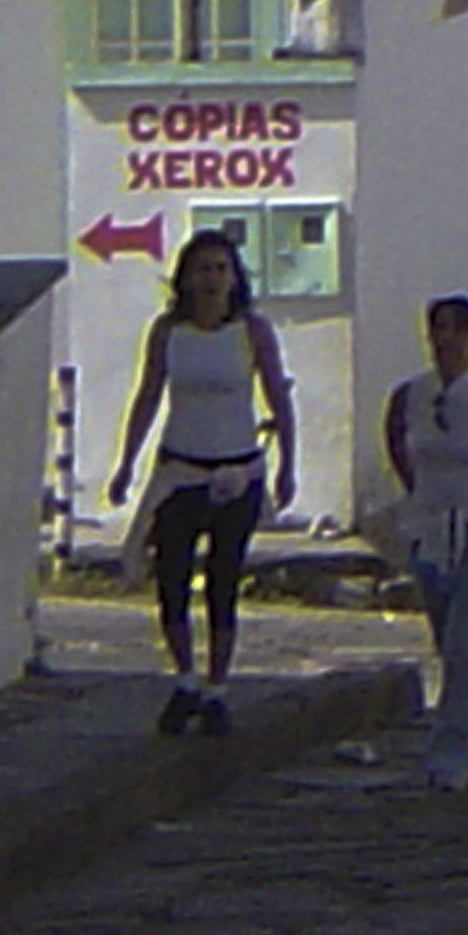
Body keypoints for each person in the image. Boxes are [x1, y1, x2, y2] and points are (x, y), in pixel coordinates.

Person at [105, 227, 294, 737]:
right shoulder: (168, 332)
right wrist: (126, 463)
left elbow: (278, 395)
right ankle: (184, 676)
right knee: (172, 577)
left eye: (220, 270)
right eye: (202, 270)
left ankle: (217, 686)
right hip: (181, 469)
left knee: (224, 582)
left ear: (235, 279)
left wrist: (287, 465)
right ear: (185, 279)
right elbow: (148, 395)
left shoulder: (252, 331)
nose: (211, 281)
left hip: (237, 468)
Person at [381, 292, 468, 789]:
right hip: (432, 529)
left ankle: (452, 752)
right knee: (451, 644)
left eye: (459, 331)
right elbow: (398, 438)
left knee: (467, 641)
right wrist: (416, 493)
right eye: (439, 329)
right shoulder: (412, 394)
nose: (447, 340)